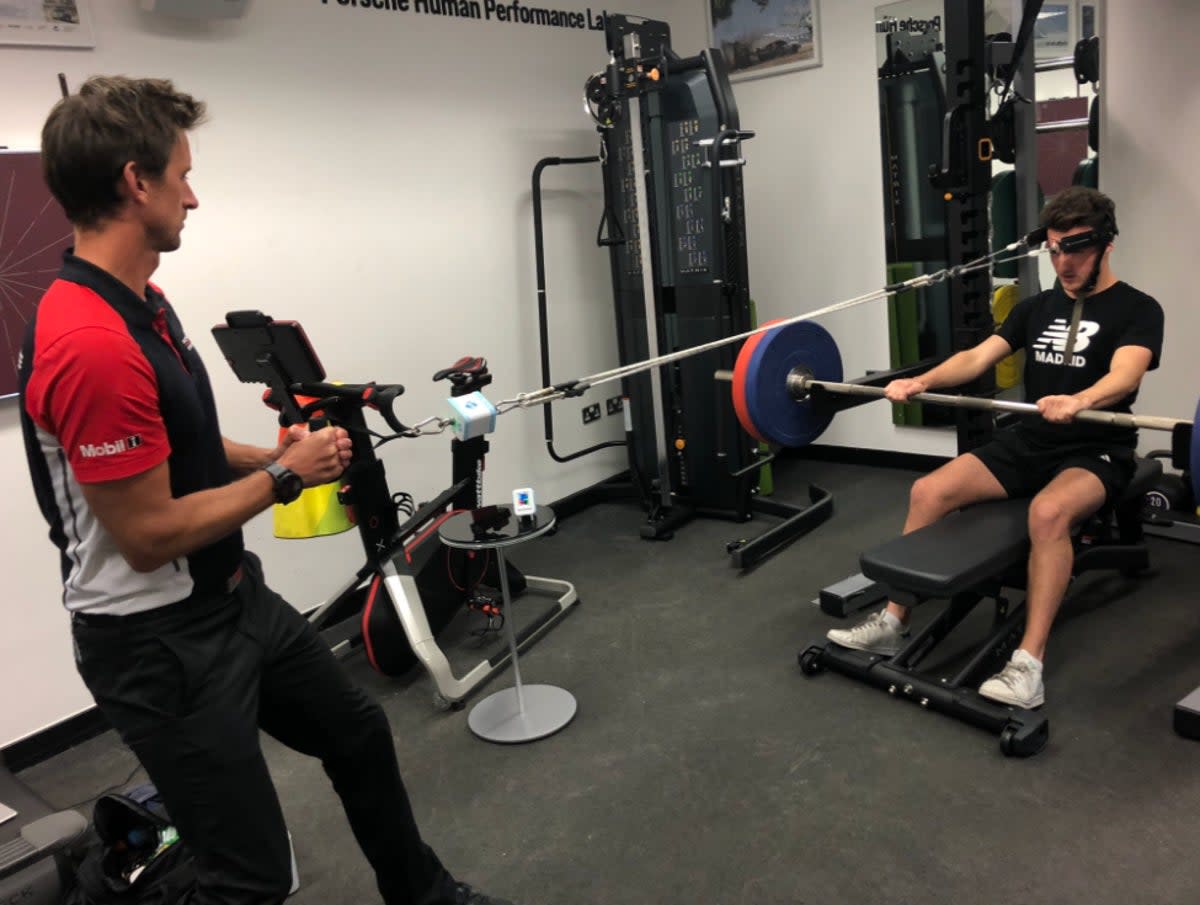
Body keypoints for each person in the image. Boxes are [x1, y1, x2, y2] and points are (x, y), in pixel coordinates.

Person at [19, 76, 514, 905]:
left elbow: (177, 445)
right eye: (182, 175)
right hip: (155, 644)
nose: (194, 196)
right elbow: (147, 533)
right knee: (246, 877)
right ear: (135, 182)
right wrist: (288, 477)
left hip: (232, 602)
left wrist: (264, 456)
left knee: (356, 733)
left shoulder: (146, 301)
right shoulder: (88, 342)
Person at [826, 186, 1163, 709]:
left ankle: (1028, 664)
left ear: (1107, 245)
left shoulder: (1139, 309)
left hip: (1098, 448)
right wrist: (922, 382)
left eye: (1074, 248)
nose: (1063, 262)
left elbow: (1126, 373)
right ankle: (894, 619)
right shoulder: (1035, 307)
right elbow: (977, 357)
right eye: (1053, 249)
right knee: (930, 490)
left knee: (1049, 514)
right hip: (1032, 440)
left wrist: (1081, 399)